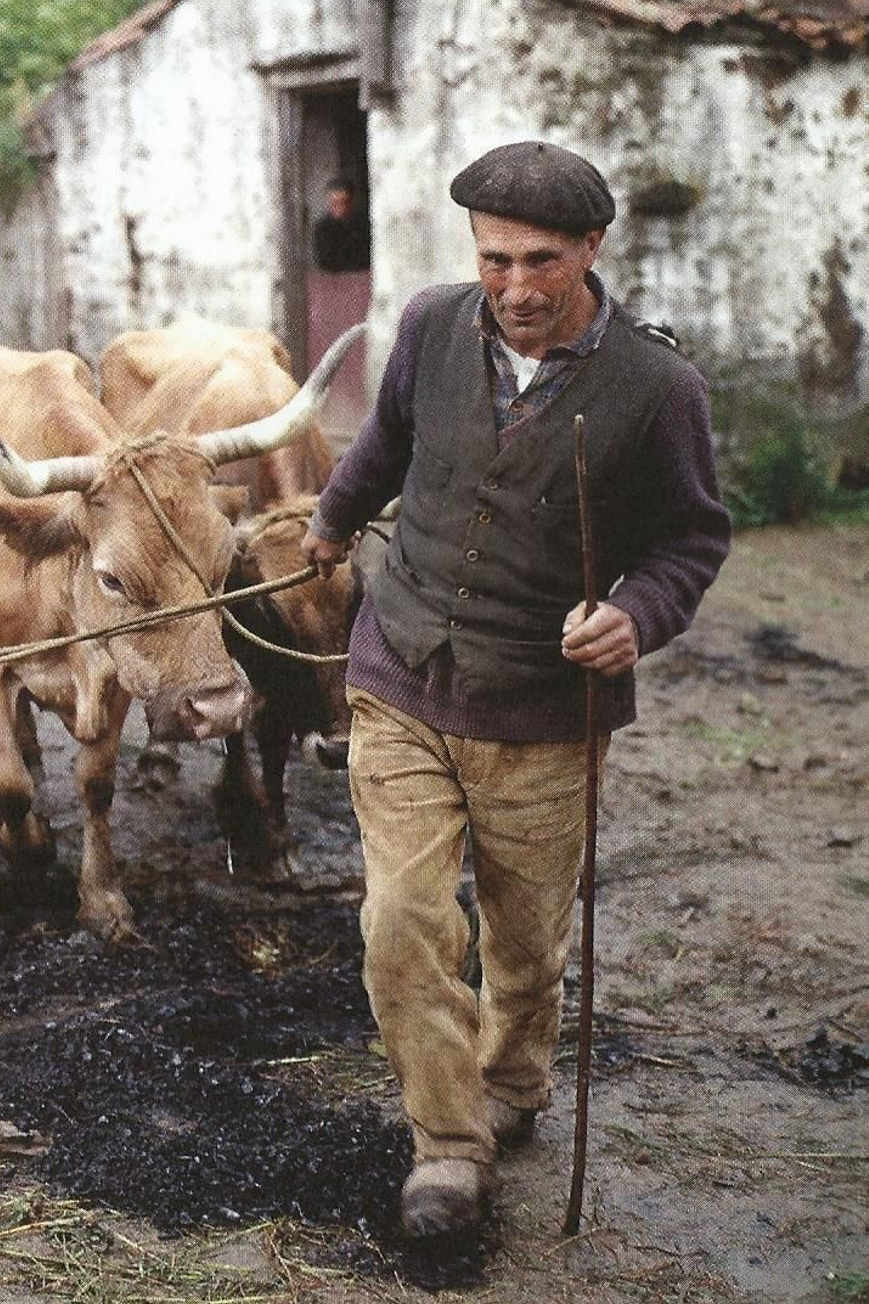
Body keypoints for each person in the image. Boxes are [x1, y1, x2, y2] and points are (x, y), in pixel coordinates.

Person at [300, 141, 731, 1238]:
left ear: (592, 247)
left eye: (542, 260)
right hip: (401, 671)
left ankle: (512, 1079)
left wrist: (636, 615)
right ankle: (447, 1146)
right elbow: (385, 442)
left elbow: (691, 539)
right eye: (495, 259)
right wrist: (330, 521)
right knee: (402, 919)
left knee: (525, 942)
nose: (517, 286)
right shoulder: (430, 327)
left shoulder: (658, 388)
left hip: (542, 713)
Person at [310, 178, 371, 272]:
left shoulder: (363, 225)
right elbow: (324, 262)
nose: (340, 208)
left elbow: (367, 257)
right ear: (329, 202)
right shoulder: (322, 228)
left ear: (351, 201)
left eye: (344, 202)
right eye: (335, 204)